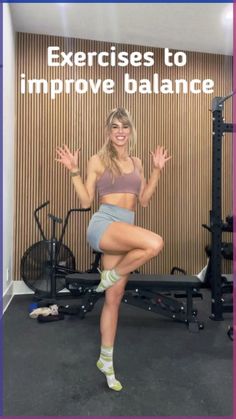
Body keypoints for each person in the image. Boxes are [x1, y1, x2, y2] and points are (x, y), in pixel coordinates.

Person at [56, 107, 171, 392]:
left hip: (125, 228)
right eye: (115, 127)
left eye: (125, 127)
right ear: (108, 132)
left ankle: (106, 360)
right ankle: (108, 275)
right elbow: (85, 201)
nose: (120, 131)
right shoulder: (97, 160)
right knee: (155, 243)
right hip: (104, 224)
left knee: (114, 298)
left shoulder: (137, 163)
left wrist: (156, 171)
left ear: (130, 131)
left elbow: (143, 200)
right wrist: (74, 171)